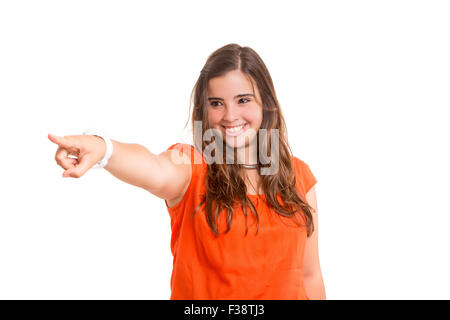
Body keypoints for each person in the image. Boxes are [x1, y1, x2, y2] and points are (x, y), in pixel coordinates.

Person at [48, 43, 326, 300]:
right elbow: (154, 168)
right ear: (204, 110)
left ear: (266, 103)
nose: (230, 115)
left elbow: (309, 275)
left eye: (243, 100)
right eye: (216, 103)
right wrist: (105, 148)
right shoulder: (192, 166)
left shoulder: (299, 176)